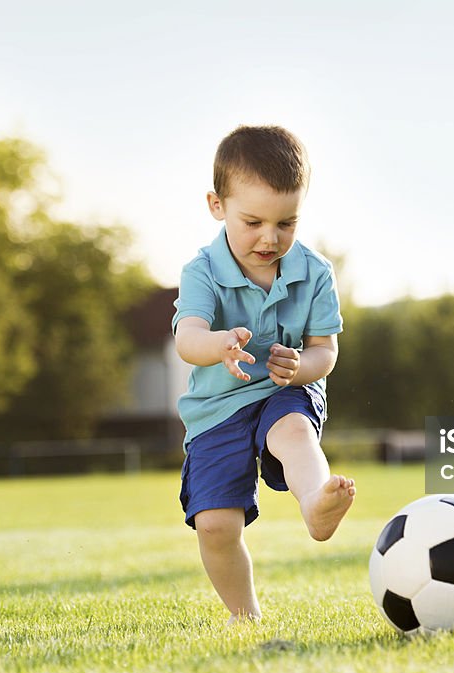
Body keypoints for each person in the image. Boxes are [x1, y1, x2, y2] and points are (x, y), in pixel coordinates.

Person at [172, 125, 355, 622]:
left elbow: (324, 352)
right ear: (217, 205)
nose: (270, 238)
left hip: (283, 391)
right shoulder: (202, 272)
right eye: (252, 221)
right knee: (214, 525)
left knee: (292, 429)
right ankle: (244, 615)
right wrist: (217, 344)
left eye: (286, 223)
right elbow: (187, 338)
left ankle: (316, 502)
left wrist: (300, 369)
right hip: (217, 408)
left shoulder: (314, 272)